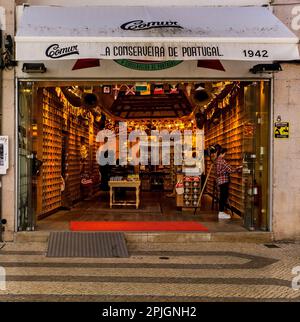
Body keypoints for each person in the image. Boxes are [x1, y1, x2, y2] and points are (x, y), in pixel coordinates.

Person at [215, 148, 242, 219]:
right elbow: (231, 170)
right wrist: (239, 168)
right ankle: (221, 212)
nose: (225, 155)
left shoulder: (217, 160)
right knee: (223, 197)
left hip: (220, 181)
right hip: (224, 181)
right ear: (222, 153)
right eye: (225, 153)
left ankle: (221, 212)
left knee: (222, 196)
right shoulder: (222, 161)